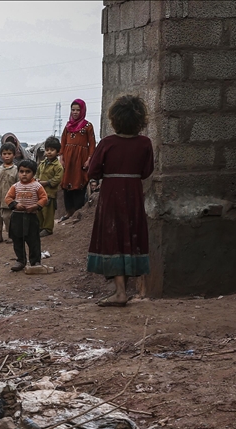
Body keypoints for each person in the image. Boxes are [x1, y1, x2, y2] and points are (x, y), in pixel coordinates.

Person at [87, 95, 154, 307]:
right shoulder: (145, 144)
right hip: (133, 193)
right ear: (140, 120)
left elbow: (93, 170)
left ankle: (120, 292)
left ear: (115, 119)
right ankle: (122, 291)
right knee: (129, 235)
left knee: (114, 236)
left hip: (111, 194)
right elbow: (146, 171)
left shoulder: (107, 143)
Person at [4, 159, 48, 272]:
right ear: (18, 172)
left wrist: (36, 206)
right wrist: (15, 205)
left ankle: (35, 261)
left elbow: (44, 198)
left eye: (27, 171)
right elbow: (8, 198)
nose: (24, 174)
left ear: (33, 173)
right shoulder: (15, 186)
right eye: (21, 171)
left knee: (33, 240)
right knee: (17, 240)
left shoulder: (37, 186)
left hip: (31, 217)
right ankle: (20, 260)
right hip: (17, 217)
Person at [59, 99, 97, 222]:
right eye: (73, 110)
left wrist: (89, 159)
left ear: (83, 111)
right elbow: (63, 142)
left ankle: (78, 212)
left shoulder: (88, 126)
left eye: (78, 110)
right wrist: (61, 157)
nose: (75, 112)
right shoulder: (67, 126)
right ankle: (69, 212)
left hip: (81, 158)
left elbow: (92, 143)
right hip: (68, 159)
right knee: (66, 183)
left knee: (79, 182)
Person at [0, 142, 19, 244]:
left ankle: (10, 236)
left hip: (9, 201)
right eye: (4, 154)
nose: (7, 156)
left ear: (14, 155)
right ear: (1, 155)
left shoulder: (16, 170)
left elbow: (18, 184)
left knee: (8, 218)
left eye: (9, 154)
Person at [36, 136, 64, 237]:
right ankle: (40, 227)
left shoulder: (58, 166)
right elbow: (37, 173)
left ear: (57, 152)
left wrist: (47, 183)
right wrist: (36, 179)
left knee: (48, 212)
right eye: (47, 150)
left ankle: (48, 229)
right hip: (40, 192)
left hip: (50, 193)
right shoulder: (42, 163)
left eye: (52, 150)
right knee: (39, 210)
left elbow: (57, 179)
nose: (49, 152)